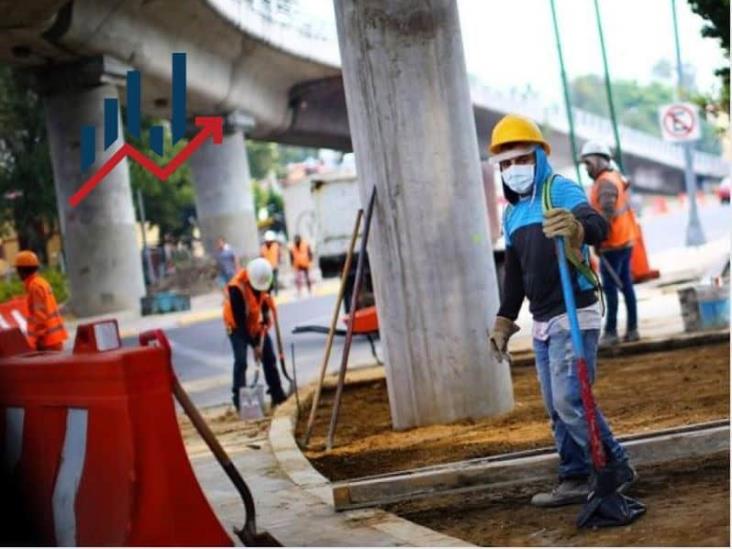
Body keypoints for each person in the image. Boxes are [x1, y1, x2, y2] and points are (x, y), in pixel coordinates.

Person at [487, 114, 635, 507]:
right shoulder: (512, 213)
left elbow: (597, 225)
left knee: (571, 399)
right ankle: (573, 475)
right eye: (505, 164)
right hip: (542, 320)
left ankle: (615, 465)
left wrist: (575, 228)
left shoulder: (560, 190)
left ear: (539, 157)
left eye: (521, 160)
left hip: (575, 314)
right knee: (556, 406)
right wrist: (505, 319)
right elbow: (516, 274)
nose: (513, 169)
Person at [580, 141, 639, 346]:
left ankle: (612, 331)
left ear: (598, 160)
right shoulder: (612, 178)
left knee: (612, 289)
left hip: (613, 244)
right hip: (623, 240)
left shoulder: (605, 183)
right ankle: (632, 329)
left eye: (588, 163)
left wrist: (596, 238)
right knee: (626, 286)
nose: (586, 168)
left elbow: (606, 212)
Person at [223, 258, 287, 410]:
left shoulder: (264, 278)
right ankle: (239, 400)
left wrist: (265, 315)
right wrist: (254, 345)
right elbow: (240, 322)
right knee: (241, 361)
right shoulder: (236, 289)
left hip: (254, 323)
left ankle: (277, 395)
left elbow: (264, 298)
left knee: (269, 357)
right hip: (236, 325)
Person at [15, 251, 68, 351]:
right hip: (53, 338)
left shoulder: (34, 287)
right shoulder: (40, 283)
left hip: (47, 341)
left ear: (22, 271)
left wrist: (37, 341)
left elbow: (40, 316)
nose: (17, 274)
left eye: (18, 270)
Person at [260, 230, 281, 296]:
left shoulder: (276, 246)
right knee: (269, 282)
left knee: (275, 280)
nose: (269, 242)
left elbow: (279, 255)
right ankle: (269, 293)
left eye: (270, 241)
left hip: (275, 266)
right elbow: (261, 257)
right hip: (267, 268)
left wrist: (278, 262)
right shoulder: (263, 248)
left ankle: (276, 293)